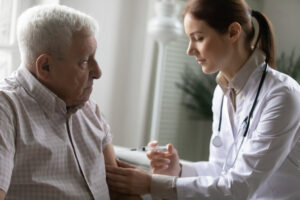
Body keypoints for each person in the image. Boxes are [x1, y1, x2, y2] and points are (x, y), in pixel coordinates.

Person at [106, 0, 300, 199]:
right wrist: (179, 170)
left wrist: (151, 184)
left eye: (198, 38)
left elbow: (238, 188)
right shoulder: (222, 93)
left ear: (233, 32)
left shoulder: (282, 96)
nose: (190, 50)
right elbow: (220, 170)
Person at [0, 4, 140, 200]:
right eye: (84, 61)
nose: (98, 72)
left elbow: (122, 193)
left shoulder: (89, 109)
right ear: (45, 66)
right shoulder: (5, 110)